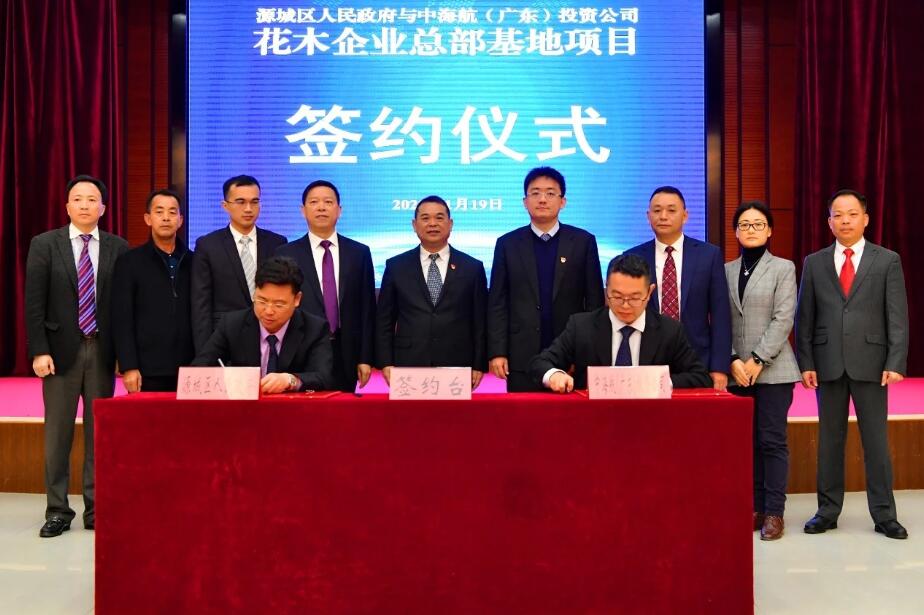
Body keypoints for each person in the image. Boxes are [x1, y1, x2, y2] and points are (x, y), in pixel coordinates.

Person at [796, 189, 909, 539]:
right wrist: (806, 361)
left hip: (872, 363)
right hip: (827, 363)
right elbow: (804, 317)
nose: (845, 220)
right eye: (838, 215)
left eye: (852, 214)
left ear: (865, 219)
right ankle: (827, 511)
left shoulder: (886, 260)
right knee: (829, 442)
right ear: (829, 222)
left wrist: (896, 360)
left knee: (876, 442)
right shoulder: (814, 262)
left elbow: (897, 316)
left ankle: (884, 514)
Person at [24, 174, 129, 537]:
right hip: (58, 353)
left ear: (103, 208)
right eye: (78, 199)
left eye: (92, 199)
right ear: (67, 206)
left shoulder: (118, 247)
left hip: (102, 350)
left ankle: (96, 508)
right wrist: (39, 350)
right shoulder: (44, 244)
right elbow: (34, 303)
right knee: (58, 435)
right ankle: (57, 510)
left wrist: (124, 354)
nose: (85, 205)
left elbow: (123, 306)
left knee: (99, 434)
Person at [488, 166, 604, 391]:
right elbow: (497, 303)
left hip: (570, 354)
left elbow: (594, 302)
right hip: (520, 355)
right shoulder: (507, 244)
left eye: (550, 193)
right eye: (535, 193)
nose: (542, 199)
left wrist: (587, 352)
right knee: (522, 412)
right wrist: (497, 352)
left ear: (563, 201)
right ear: (525, 201)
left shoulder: (583, 242)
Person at [724, 201, 800, 541]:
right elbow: (718, 319)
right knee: (747, 443)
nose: (751, 229)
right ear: (736, 232)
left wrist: (757, 359)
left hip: (773, 370)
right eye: (744, 224)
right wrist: (732, 359)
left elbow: (784, 318)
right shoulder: (724, 270)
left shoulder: (783, 268)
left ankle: (774, 512)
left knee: (771, 441)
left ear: (769, 230)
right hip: (736, 371)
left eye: (758, 224)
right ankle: (754, 507)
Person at [530, 253, 711, 391]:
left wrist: (657, 382)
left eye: (634, 298)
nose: (625, 306)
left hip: (651, 418)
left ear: (649, 292)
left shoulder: (669, 330)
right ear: (606, 289)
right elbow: (540, 363)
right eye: (616, 296)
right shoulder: (582, 326)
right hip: (594, 418)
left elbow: (700, 377)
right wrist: (554, 375)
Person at [625, 186, 732, 391]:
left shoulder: (708, 255)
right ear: (648, 216)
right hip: (646, 359)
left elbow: (720, 315)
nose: (663, 216)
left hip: (697, 359)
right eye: (657, 210)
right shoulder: (633, 257)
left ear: (685, 215)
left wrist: (719, 367)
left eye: (671, 210)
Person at [375, 195, 487, 388]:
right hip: (408, 361)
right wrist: (386, 362)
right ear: (414, 225)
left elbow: (480, 321)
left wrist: (479, 363)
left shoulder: (472, 267)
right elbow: (384, 320)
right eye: (425, 218)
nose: (432, 224)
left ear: (450, 224)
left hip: (457, 362)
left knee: (453, 409)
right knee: (411, 409)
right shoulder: (396, 266)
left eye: (439, 217)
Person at [276, 180, 376, 393]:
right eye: (314, 202)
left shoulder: (359, 253)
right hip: (301, 352)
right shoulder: (286, 253)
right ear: (303, 210)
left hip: (346, 352)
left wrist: (365, 357)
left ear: (339, 210)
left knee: (343, 411)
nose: (321, 207)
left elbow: (367, 309)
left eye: (328, 202)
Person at [192, 256, 333, 393]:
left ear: (297, 299)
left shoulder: (315, 329)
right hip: (244, 406)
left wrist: (291, 380)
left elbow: (324, 378)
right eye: (262, 301)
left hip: (293, 407)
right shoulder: (232, 324)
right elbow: (198, 369)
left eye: (279, 304)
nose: (268, 311)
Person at [191, 175, 287, 353]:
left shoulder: (277, 243)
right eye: (241, 202)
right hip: (224, 339)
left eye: (254, 202)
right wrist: (205, 352)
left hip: (271, 337)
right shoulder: (208, 245)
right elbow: (201, 304)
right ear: (225, 205)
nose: (248, 209)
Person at [111, 189, 194, 392]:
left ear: (180, 220)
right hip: (147, 368)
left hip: (191, 366)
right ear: (148, 219)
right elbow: (122, 318)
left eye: (172, 212)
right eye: (159, 211)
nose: (166, 217)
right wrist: (129, 366)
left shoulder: (195, 261)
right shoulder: (129, 262)